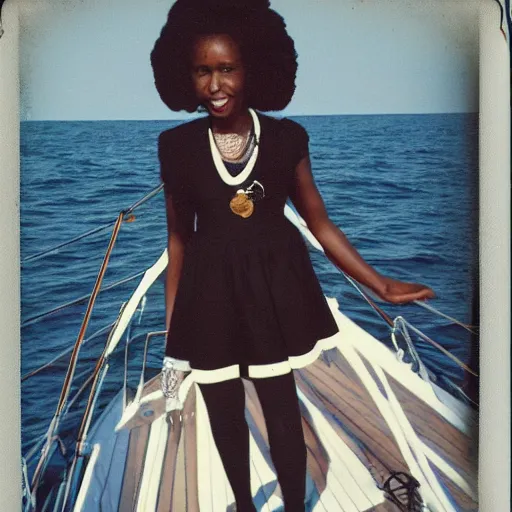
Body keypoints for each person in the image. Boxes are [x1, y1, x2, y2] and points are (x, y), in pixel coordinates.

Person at [150, 1, 435, 510]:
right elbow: (178, 242)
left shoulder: (287, 138)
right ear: (184, 75)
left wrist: (380, 284)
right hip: (209, 300)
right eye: (202, 71)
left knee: (282, 412)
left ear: (252, 69)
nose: (215, 84)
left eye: (227, 69)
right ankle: (243, 503)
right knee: (224, 415)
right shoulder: (176, 146)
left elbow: (319, 222)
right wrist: (174, 341)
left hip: (272, 296)